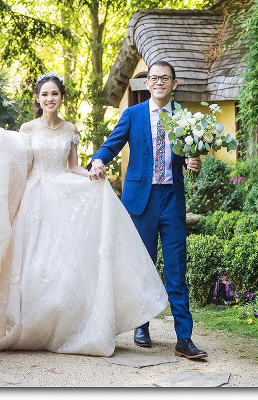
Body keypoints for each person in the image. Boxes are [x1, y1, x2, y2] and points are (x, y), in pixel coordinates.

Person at [0, 72, 168, 357]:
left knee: (60, 266)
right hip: (34, 201)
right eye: (45, 94)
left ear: (61, 97)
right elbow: (19, 167)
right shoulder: (27, 129)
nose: (50, 98)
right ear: (37, 98)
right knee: (29, 266)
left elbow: (73, 167)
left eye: (54, 94)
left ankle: (59, 328)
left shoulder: (70, 128)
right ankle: (25, 326)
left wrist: (93, 174)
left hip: (63, 198)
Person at [88, 60, 207, 359]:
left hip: (172, 200)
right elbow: (111, 145)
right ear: (147, 83)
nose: (158, 82)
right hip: (141, 201)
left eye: (165, 78)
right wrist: (98, 160)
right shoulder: (133, 114)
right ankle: (142, 326)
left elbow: (190, 158)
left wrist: (193, 163)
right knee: (143, 266)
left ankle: (184, 338)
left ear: (174, 84)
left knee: (177, 270)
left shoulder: (185, 118)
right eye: (153, 78)